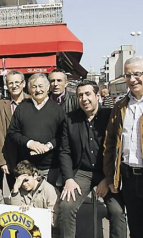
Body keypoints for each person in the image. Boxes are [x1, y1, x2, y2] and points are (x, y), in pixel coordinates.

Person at [59, 80, 126, 238]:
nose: (84, 99)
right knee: (66, 207)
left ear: (97, 95)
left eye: (88, 94)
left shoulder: (110, 116)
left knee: (117, 211)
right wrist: (68, 178)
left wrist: (108, 178)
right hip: (81, 172)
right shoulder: (70, 119)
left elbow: (118, 149)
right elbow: (65, 151)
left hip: (107, 172)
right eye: (80, 95)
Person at [104, 56, 143, 238]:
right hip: (127, 176)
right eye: (128, 75)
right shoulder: (120, 106)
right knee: (135, 226)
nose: (133, 79)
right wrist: (112, 176)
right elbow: (110, 143)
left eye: (137, 74)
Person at [7, 73, 65, 186]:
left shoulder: (58, 110)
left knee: (49, 201)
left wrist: (48, 146)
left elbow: (63, 135)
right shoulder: (22, 108)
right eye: (34, 87)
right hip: (26, 167)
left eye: (41, 86)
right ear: (28, 89)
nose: (38, 90)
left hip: (50, 167)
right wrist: (30, 143)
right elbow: (13, 132)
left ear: (48, 87)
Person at [0, 70, 30, 190]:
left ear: (23, 83)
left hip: (30, 155)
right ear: (6, 85)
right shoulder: (0, 106)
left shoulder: (32, 102)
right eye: (10, 83)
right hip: (11, 156)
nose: (14, 86)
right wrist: (2, 161)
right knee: (14, 191)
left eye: (17, 82)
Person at [10, 160, 59, 236]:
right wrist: (15, 189)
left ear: (35, 175)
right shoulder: (20, 190)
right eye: (21, 182)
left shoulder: (49, 190)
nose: (24, 184)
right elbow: (14, 212)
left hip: (47, 231)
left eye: (26, 180)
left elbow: (54, 219)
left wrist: (32, 213)